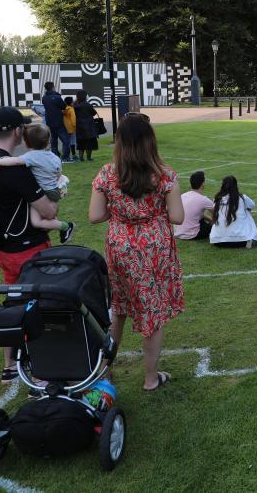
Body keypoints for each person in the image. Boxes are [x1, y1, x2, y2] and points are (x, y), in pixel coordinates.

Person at [89, 112, 184, 391]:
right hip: (153, 248)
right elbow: (177, 217)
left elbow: (95, 215)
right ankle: (150, 378)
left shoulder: (107, 174)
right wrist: (150, 213)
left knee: (117, 309)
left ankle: (104, 372)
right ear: (150, 141)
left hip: (120, 247)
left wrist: (120, 213)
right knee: (151, 312)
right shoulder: (165, 176)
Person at [0, 107, 58, 383]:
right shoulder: (16, 169)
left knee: (13, 301)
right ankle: (41, 370)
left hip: (3, 247)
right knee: (38, 306)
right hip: (29, 248)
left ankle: (10, 365)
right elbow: (48, 211)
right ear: (17, 132)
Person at [0, 123, 75, 244]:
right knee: (47, 217)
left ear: (26, 143)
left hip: (45, 192)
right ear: (48, 141)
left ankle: (66, 227)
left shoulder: (31, 157)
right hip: (55, 190)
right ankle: (56, 224)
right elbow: (58, 174)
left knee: (36, 222)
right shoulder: (54, 157)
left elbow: (15, 161)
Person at [209, 176, 257, 248]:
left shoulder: (217, 199)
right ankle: (250, 237)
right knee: (247, 211)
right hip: (241, 240)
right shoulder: (242, 198)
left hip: (218, 241)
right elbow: (252, 205)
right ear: (236, 186)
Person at [175, 171, 213, 240]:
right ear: (203, 184)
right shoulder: (203, 199)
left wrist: (210, 220)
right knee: (213, 227)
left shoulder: (183, 196)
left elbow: (196, 214)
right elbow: (218, 212)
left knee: (201, 219)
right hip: (192, 235)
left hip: (178, 232)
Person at [41, 81, 68, 159]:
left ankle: (55, 155)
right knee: (66, 140)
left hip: (49, 121)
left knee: (54, 139)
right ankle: (65, 157)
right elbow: (64, 107)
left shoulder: (44, 98)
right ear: (53, 87)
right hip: (58, 121)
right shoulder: (57, 97)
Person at [73, 90, 99, 162]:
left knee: (81, 142)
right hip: (89, 126)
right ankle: (89, 157)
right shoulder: (88, 105)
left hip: (79, 126)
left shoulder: (75, 105)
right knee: (89, 142)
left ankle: (81, 157)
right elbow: (94, 113)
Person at [62, 96, 77, 162]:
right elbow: (73, 120)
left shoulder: (63, 109)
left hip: (65, 127)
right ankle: (73, 155)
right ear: (71, 102)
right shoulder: (71, 109)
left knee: (66, 142)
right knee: (72, 142)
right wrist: (75, 126)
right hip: (71, 128)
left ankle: (65, 155)